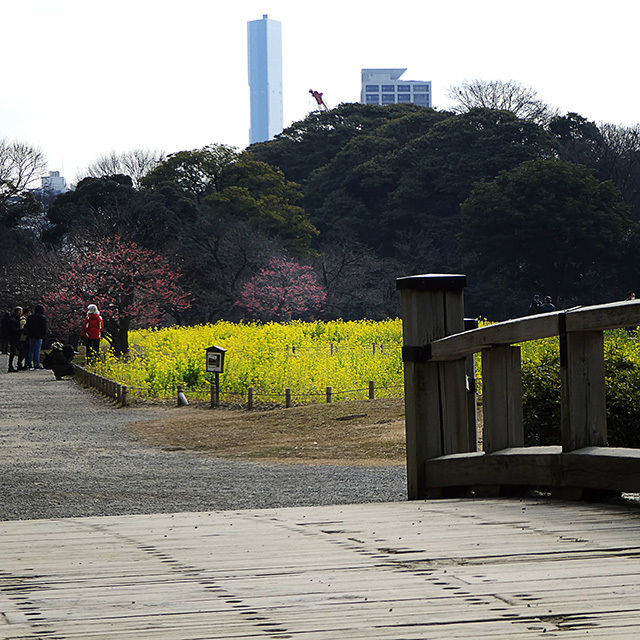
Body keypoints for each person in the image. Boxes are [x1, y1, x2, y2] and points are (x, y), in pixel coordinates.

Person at [26, 304, 47, 369]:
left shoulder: (30, 317)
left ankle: (29, 363)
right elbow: (44, 328)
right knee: (37, 350)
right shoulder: (43, 318)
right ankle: (37, 364)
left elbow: (28, 326)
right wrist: (43, 335)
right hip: (39, 335)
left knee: (31, 350)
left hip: (31, 335)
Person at [7, 306, 23, 372]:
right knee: (13, 352)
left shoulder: (15, 318)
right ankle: (10, 366)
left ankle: (19, 365)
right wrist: (21, 330)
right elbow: (13, 329)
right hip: (14, 337)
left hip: (16, 337)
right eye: (21, 311)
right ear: (18, 312)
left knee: (21, 351)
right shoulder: (13, 319)